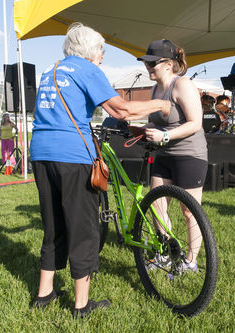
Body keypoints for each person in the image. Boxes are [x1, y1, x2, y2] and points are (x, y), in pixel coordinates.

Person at [30, 23, 170, 318]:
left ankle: (44, 295)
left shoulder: (51, 70)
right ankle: (81, 305)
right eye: (101, 49)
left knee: (54, 224)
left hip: (41, 154)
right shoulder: (87, 69)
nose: (102, 55)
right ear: (89, 50)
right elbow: (121, 110)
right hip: (72, 156)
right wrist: (163, 103)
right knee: (83, 229)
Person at [137, 39, 207, 272]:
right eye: (146, 63)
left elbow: (195, 123)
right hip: (164, 154)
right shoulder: (155, 89)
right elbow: (156, 120)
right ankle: (165, 252)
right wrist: (141, 129)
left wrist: (164, 137)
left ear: (168, 64)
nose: (148, 68)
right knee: (157, 205)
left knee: (189, 211)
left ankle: (190, 261)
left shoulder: (182, 85)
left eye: (152, 63)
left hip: (190, 155)